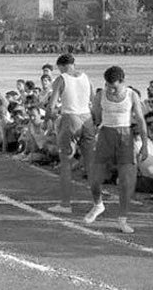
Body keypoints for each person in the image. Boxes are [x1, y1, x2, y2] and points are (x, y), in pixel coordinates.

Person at [85, 66, 149, 233]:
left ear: (123, 82)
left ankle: (122, 218)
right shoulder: (101, 95)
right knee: (94, 180)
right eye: (108, 85)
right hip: (106, 135)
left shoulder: (132, 95)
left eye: (114, 86)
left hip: (125, 136)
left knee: (127, 182)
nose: (111, 89)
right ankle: (98, 205)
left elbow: (141, 121)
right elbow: (97, 117)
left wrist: (145, 146)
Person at [45, 53, 96, 214]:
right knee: (90, 164)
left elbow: (51, 106)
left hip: (70, 118)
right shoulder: (86, 78)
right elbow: (93, 100)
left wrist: (51, 118)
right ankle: (97, 201)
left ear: (60, 66)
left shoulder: (61, 79)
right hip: (87, 118)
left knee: (66, 163)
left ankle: (65, 203)